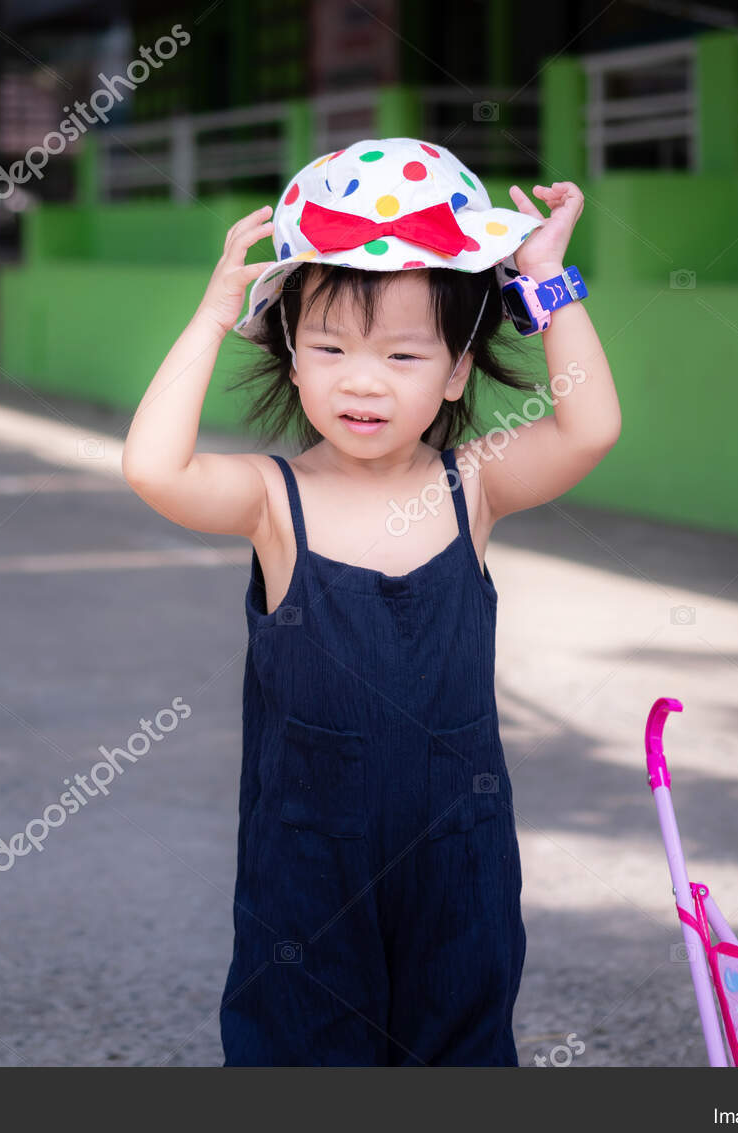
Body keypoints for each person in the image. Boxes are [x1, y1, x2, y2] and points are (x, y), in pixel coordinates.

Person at [121, 137, 620, 1065]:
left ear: (457, 371)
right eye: (330, 346)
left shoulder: (474, 484)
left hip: (458, 858)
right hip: (308, 865)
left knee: (461, 1052)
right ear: (292, 357)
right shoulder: (274, 499)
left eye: (402, 353)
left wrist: (547, 282)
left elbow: (590, 425)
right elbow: (154, 467)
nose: (362, 378)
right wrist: (210, 316)